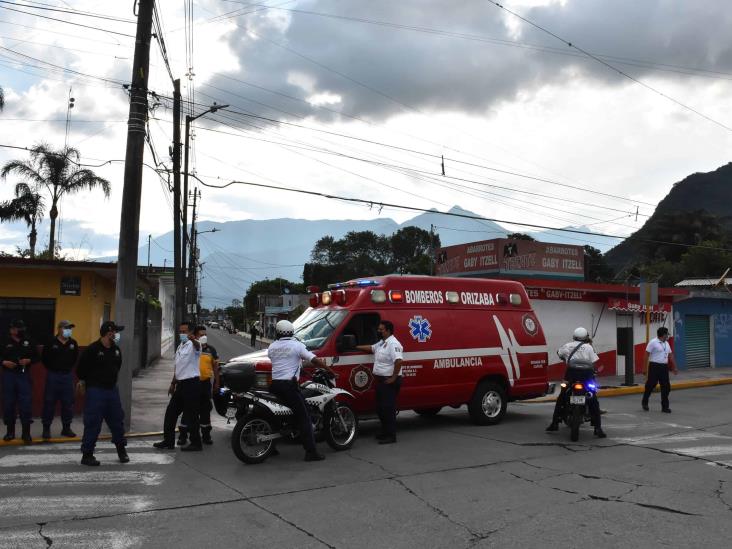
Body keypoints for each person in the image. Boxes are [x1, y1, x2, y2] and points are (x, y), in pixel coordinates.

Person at [268, 319, 335, 461]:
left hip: (274, 385)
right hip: (289, 387)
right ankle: (311, 451)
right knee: (304, 417)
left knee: (276, 414)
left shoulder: (272, 347)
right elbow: (314, 359)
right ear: (292, 332)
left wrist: (300, 369)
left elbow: (284, 362)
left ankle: (271, 447)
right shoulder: (297, 345)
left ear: (277, 332)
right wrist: (329, 370)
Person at [77, 321, 129, 466]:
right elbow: (81, 369)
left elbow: (117, 366)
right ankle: (87, 454)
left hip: (112, 391)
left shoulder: (116, 350)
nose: (117, 335)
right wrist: (84, 382)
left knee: (117, 421)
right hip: (96, 391)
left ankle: (121, 450)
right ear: (109, 332)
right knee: (93, 422)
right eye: (115, 332)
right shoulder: (92, 349)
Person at [546, 327, 606, 438]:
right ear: (585, 337)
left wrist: (566, 358)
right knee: (593, 400)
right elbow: (594, 362)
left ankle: (554, 423)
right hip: (586, 376)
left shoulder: (567, 345)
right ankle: (598, 428)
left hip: (571, 375)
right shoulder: (588, 347)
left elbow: (559, 353)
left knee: (562, 397)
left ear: (574, 336)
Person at [153, 322, 203, 451]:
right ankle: (168, 441)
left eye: (184, 332)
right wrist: (172, 383)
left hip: (191, 384)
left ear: (191, 333)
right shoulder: (180, 346)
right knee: (171, 413)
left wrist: (194, 340)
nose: (182, 334)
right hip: (180, 385)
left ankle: (196, 443)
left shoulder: (194, 345)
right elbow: (178, 367)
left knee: (191, 415)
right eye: (180, 331)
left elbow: (198, 347)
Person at [355, 320, 403, 445]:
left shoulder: (393, 343)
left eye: (381, 329)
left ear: (388, 330)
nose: (379, 331)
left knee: (388, 409)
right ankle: (384, 432)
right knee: (380, 408)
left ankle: (391, 435)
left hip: (389, 380)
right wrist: (355, 346)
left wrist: (393, 377)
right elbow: (372, 348)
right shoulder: (383, 343)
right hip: (382, 380)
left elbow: (398, 361)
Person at [177, 327, 220, 446]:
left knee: (205, 410)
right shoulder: (191, 348)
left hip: (205, 384)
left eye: (205, 334)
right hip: (191, 383)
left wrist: (216, 383)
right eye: (201, 335)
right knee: (188, 410)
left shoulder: (211, 350)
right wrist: (174, 382)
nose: (204, 337)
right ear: (195, 336)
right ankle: (183, 436)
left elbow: (216, 367)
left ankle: (206, 436)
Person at [41, 320, 80, 440]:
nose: (69, 330)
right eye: (66, 328)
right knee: (49, 402)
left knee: (68, 403)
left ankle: (66, 428)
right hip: (53, 375)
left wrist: (66, 369)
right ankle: (46, 428)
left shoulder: (73, 343)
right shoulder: (51, 342)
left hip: (67, 376)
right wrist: (54, 369)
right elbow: (45, 359)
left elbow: (74, 359)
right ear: (59, 329)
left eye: (70, 328)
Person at [1, 319, 38, 443]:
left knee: (25, 405)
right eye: (17, 328)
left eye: (21, 328)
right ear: (12, 330)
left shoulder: (29, 341)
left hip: (23, 375)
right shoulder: (4, 341)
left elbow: (37, 357)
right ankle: (10, 432)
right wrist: (4, 362)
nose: (20, 330)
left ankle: (26, 433)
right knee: (9, 404)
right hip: (9, 376)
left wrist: (29, 360)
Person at [642, 326, 677, 413]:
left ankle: (665, 407)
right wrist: (644, 368)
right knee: (651, 385)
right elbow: (646, 355)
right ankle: (645, 401)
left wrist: (674, 366)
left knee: (666, 387)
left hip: (664, 367)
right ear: (663, 335)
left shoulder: (666, 343)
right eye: (666, 335)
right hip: (654, 366)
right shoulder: (653, 342)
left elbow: (670, 355)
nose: (667, 336)